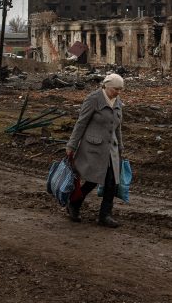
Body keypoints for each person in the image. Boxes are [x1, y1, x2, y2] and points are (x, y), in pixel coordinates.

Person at [65, 73, 125, 228]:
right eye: (115, 89)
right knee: (92, 180)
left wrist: (120, 147)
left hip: (111, 149)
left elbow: (118, 127)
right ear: (106, 86)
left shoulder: (117, 101)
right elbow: (81, 123)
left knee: (111, 182)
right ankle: (74, 204)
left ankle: (105, 215)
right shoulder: (93, 99)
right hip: (93, 147)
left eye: (120, 89)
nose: (118, 92)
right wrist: (71, 145)